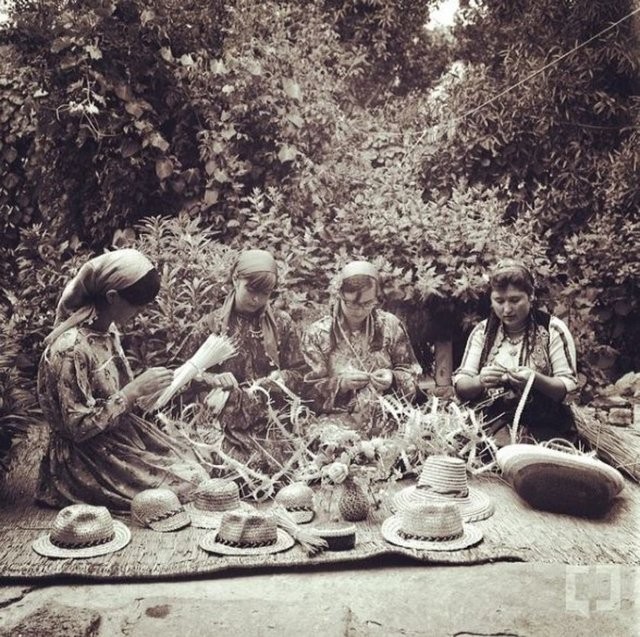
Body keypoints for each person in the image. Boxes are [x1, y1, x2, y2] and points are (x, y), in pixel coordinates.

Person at [36, 248, 209, 514]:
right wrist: (133, 391)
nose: (141, 312)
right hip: (84, 458)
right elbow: (78, 428)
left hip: (116, 436)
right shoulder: (70, 349)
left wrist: (155, 390)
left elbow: (120, 395)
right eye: (137, 305)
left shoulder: (107, 331)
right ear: (112, 297)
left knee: (200, 460)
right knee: (187, 484)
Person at [189, 249, 308, 470]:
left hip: (272, 419)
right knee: (234, 471)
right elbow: (183, 377)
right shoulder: (211, 326)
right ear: (235, 279)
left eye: (265, 293)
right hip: (224, 422)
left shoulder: (282, 324)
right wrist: (213, 379)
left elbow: (301, 373)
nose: (257, 299)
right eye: (251, 290)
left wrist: (281, 378)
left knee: (284, 470)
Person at [453, 259, 578, 444]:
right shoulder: (482, 332)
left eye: (515, 300)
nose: (507, 309)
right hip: (489, 424)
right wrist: (479, 381)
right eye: (499, 301)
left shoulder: (553, 329)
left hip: (545, 426)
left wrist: (535, 379)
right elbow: (461, 384)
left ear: (531, 296)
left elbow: (569, 389)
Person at [301, 260, 422, 431]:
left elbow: (413, 376)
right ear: (339, 296)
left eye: (367, 303)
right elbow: (306, 394)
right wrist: (340, 385)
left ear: (376, 298)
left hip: (389, 421)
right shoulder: (317, 334)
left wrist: (392, 379)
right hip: (334, 429)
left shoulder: (390, 326)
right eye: (351, 303)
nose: (359, 311)